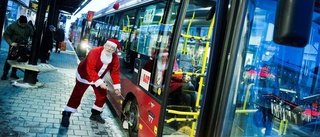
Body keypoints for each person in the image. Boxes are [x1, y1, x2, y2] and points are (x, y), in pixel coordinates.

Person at [61, 38, 122, 127]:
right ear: (105, 45)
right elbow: (90, 69)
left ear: (114, 50)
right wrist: (100, 82)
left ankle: (95, 114)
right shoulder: (95, 52)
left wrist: (117, 87)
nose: (109, 48)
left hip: (98, 77)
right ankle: (66, 114)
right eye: (108, 46)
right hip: (84, 75)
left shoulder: (115, 58)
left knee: (102, 95)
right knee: (77, 95)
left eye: (112, 48)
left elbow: (115, 72)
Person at [1, 15, 33, 80]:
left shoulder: (28, 27)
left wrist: (30, 41)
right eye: (22, 24)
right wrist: (11, 42)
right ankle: (5, 73)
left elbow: (32, 34)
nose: (24, 25)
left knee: (21, 58)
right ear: (19, 22)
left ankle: (13, 73)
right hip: (14, 45)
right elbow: (6, 34)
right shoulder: (13, 26)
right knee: (10, 58)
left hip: (23, 45)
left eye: (25, 24)